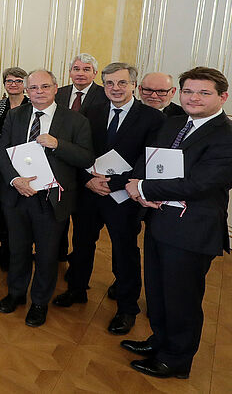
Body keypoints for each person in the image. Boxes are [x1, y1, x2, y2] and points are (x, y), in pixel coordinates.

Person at [123, 67, 232, 379]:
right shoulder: (176, 123)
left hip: (191, 230)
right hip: (159, 221)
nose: (194, 98)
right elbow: (150, 158)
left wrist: (141, 188)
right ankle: (160, 341)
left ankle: (177, 360)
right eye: (189, 91)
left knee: (182, 298)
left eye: (204, 92)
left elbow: (197, 184)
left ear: (223, 97)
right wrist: (138, 182)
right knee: (157, 290)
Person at [53, 63, 165, 336]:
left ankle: (127, 309)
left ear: (133, 86)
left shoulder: (152, 118)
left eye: (122, 83)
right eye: (110, 83)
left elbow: (148, 161)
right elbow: (80, 151)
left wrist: (114, 183)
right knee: (81, 245)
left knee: (124, 252)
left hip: (125, 196)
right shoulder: (92, 111)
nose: (116, 88)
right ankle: (77, 290)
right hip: (90, 192)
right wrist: (88, 180)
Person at [0, 69, 94, 328]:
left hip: (52, 199)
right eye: (34, 87)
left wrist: (57, 144)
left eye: (45, 86)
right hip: (18, 195)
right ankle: (16, 293)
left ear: (55, 88)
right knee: (17, 250)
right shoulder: (15, 116)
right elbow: (2, 151)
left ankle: (39, 301)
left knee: (48, 255)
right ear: (27, 90)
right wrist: (15, 180)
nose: (39, 91)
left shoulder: (75, 121)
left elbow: (86, 158)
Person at [53, 53, 109, 262]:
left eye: (86, 69)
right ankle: (57, 253)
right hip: (60, 165)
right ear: (70, 72)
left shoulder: (105, 95)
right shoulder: (58, 93)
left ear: (95, 73)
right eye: (76, 69)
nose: (81, 73)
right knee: (57, 216)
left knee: (83, 225)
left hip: (88, 166)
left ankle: (77, 263)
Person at [0, 67, 30, 269]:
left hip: (26, 168)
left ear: (25, 85)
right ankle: (4, 250)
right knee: (4, 211)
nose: (13, 84)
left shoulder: (31, 105)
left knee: (22, 213)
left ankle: (20, 253)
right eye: (9, 81)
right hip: (1, 167)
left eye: (18, 81)